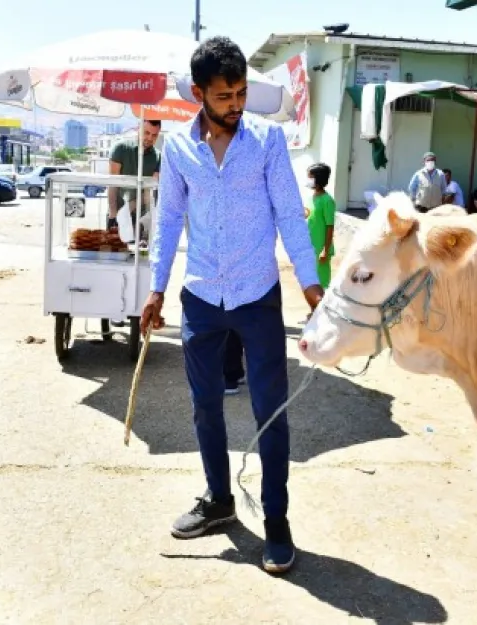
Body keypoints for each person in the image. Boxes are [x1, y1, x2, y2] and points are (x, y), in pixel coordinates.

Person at [141, 36, 323, 575]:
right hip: (200, 296)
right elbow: (169, 219)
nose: (236, 104)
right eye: (225, 96)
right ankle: (219, 499)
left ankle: (276, 521)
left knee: (270, 409)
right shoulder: (176, 148)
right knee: (204, 405)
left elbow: (290, 214)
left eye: (242, 93)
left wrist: (311, 285)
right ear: (199, 93)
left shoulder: (266, 141)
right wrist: (156, 288)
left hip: (256, 296)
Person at [107, 120, 161, 329]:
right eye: (146, 132)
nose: (149, 138)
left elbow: (149, 193)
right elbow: (113, 184)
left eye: (154, 135)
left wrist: (133, 209)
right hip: (117, 214)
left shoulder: (157, 157)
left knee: (139, 263)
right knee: (115, 262)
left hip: (140, 218)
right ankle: (114, 310)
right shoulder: (121, 148)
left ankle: (136, 308)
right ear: (139, 129)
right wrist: (114, 215)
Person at [305, 162, 336, 289]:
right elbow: (310, 213)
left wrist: (325, 250)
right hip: (311, 244)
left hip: (321, 247)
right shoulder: (313, 197)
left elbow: (330, 226)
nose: (308, 180)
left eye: (310, 177)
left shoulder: (327, 200)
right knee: (312, 278)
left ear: (318, 179)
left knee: (322, 280)